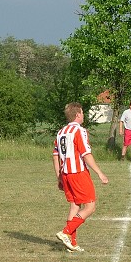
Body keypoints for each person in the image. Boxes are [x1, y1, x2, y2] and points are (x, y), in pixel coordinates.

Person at [54, 102, 109, 252]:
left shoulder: (61, 132)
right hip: (78, 173)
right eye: (83, 113)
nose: (84, 115)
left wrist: (59, 176)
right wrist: (100, 173)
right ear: (77, 115)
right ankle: (65, 232)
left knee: (74, 206)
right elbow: (86, 154)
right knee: (90, 207)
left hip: (65, 173)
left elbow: (55, 155)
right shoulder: (80, 131)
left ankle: (72, 243)